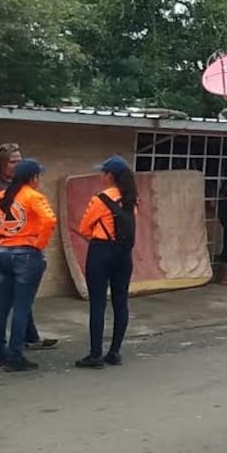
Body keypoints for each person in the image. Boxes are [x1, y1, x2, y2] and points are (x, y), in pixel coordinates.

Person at [0, 143, 58, 358]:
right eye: (13, 161)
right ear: (1, 164)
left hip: (8, 250)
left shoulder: (16, 189)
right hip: (4, 249)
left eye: (19, 161)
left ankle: (27, 337)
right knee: (0, 298)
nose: (16, 165)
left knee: (20, 297)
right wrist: (14, 240)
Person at [73, 156, 139, 369]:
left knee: (98, 303)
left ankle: (95, 354)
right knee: (121, 302)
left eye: (103, 172)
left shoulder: (100, 199)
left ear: (109, 175)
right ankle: (115, 351)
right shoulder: (131, 199)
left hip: (101, 251)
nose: (101, 176)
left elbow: (83, 228)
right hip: (124, 254)